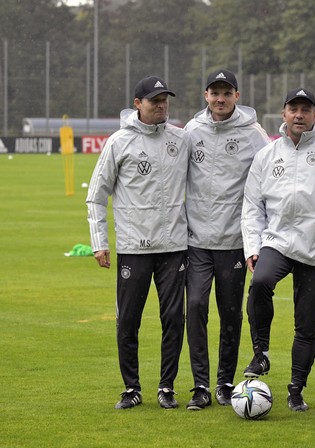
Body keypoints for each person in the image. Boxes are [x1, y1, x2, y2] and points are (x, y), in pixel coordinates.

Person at [241, 87, 315, 412]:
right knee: (260, 283)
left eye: (306, 110)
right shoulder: (267, 155)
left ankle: (296, 389)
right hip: (277, 242)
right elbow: (251, 205)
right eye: (293, 109)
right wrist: (253, 246)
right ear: (284, 114)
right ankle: (261, 353)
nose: (299, 115)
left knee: (306, 325)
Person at [86, 76, 189, 410]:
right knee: (128, 322)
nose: (161, 105)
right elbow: (96, 196)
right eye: (154, 100)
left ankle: (166, 387)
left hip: (174, 246)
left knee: (174, 320)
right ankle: (131, 388)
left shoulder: (181, 139)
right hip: (134, 248)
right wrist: (99, 242)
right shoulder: (119, 142)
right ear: (137, 104)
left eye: (164, 100)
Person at [184, 69, 271, 410]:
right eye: (214, 92)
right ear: (205, 95)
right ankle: (200, 385)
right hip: (197, 241)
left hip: (235, 241)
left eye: (226, 92)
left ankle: (224, 382)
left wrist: (261, 236)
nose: (220, 98)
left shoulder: (253, 134)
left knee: (231, 313)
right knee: (195, 307)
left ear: (237, 95)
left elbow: (271, 177)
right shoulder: (192, 131)